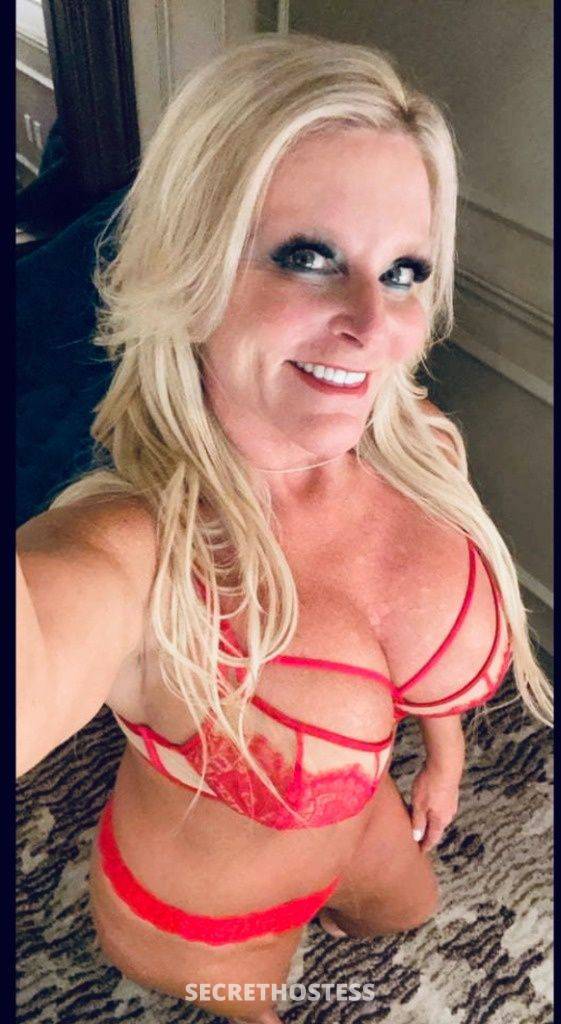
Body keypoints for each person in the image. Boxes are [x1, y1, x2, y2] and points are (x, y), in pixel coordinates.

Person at [16, 32, 552, 1024]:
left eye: (404, 271)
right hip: (199, 920)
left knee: (411, 912)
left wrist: (444, 757)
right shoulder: (137, 548)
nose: (375, 326)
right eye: (308, 258)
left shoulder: (420, 441)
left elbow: (413, 660)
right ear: (190, 268)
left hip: (364, 826)